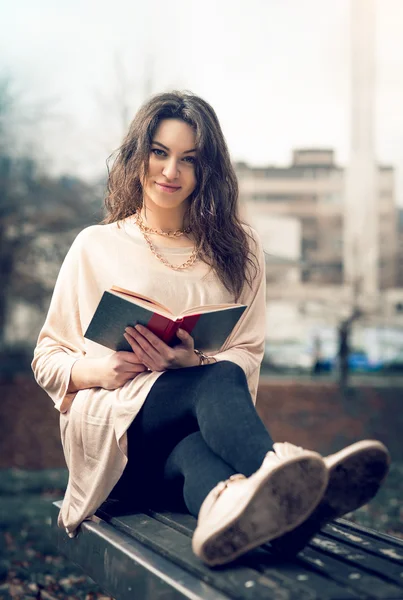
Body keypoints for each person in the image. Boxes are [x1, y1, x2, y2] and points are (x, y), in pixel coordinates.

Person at [32, 91, 390, 567]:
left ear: (209, 171)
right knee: (217, 379)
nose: (170, 172)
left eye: (189, 160)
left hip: (167, 465)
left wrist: (190, 361)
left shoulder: (239, 251)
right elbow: (47, 358)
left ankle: (261, 519)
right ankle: (281, 474)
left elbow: (248, 351)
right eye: (159, 152)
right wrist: (100, 369)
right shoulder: (95, 246)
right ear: (139, 154)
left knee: (199, 452)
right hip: (115, 444)